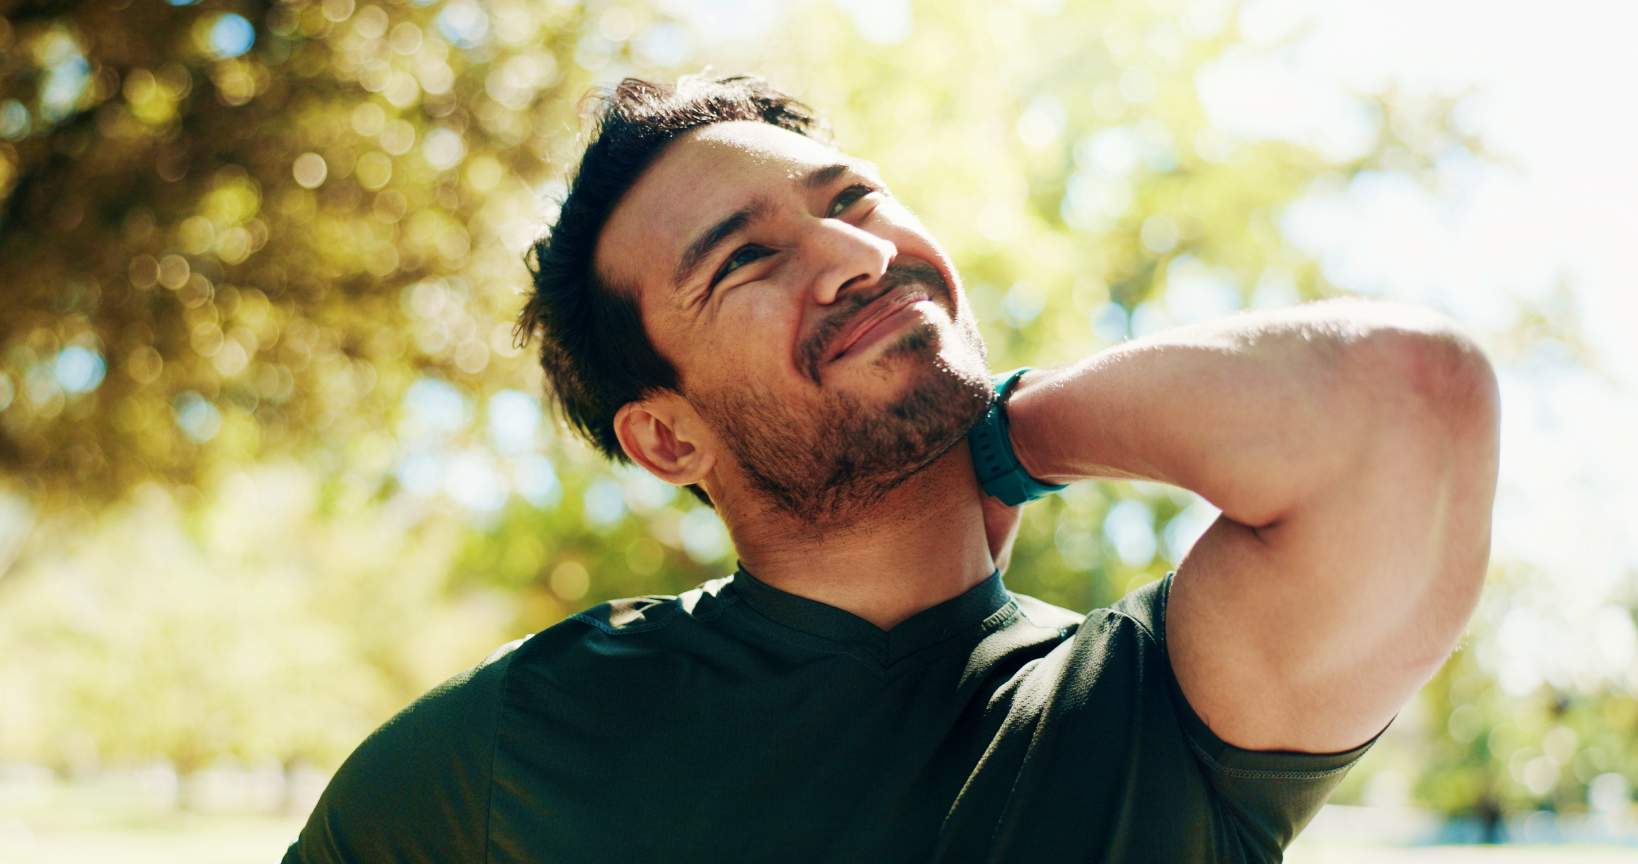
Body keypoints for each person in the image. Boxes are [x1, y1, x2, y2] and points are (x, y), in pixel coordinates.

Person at [283, 75, 1500, 863]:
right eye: (744, 261)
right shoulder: (514, 745)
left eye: (853, 200)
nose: (855, 255)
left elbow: (1409, 402)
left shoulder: (1156, 720)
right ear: (666, 438)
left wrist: (1008, 443)